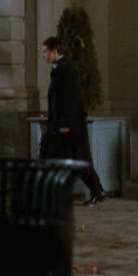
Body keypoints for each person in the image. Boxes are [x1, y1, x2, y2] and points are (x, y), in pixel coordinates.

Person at [40, 36, 107, 206]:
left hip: (68, 126)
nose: (44, 56)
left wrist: (64, 124)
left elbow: (71, 99)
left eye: (45, 52)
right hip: (62, 125)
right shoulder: (60, 69)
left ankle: (96, 190)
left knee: (76, 160)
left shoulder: (66, 70)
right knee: (61, 159)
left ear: (55, 51)